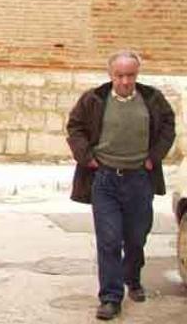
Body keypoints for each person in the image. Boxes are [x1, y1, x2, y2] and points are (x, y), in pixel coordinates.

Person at [66, 50, 176, 320]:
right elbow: (75, 127)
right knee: (109, 239)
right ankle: (111, 297)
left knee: (136, 237)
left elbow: (168, 126)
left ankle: (133, 277)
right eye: (120, 75)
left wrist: (154, 157)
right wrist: (88, 158)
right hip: (104, 179)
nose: (126, 81)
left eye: (131, 75)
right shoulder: (94, 99)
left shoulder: (152, 98)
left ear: (137, 75)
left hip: (139, 179)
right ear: (110, 75)